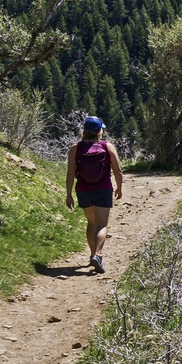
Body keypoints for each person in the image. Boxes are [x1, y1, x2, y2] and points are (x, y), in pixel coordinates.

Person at [65, 116, 124, 274]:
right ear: (99, 131)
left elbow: (70, 173)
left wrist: (68, 194)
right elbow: (118, 171)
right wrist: (119, 187)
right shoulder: (107, 147)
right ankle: (97, 255)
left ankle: (92, 255)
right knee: (102, 224)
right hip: (103, 189)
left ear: (84, 130)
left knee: (91, 223)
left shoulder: (75, 148)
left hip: (83, 190)